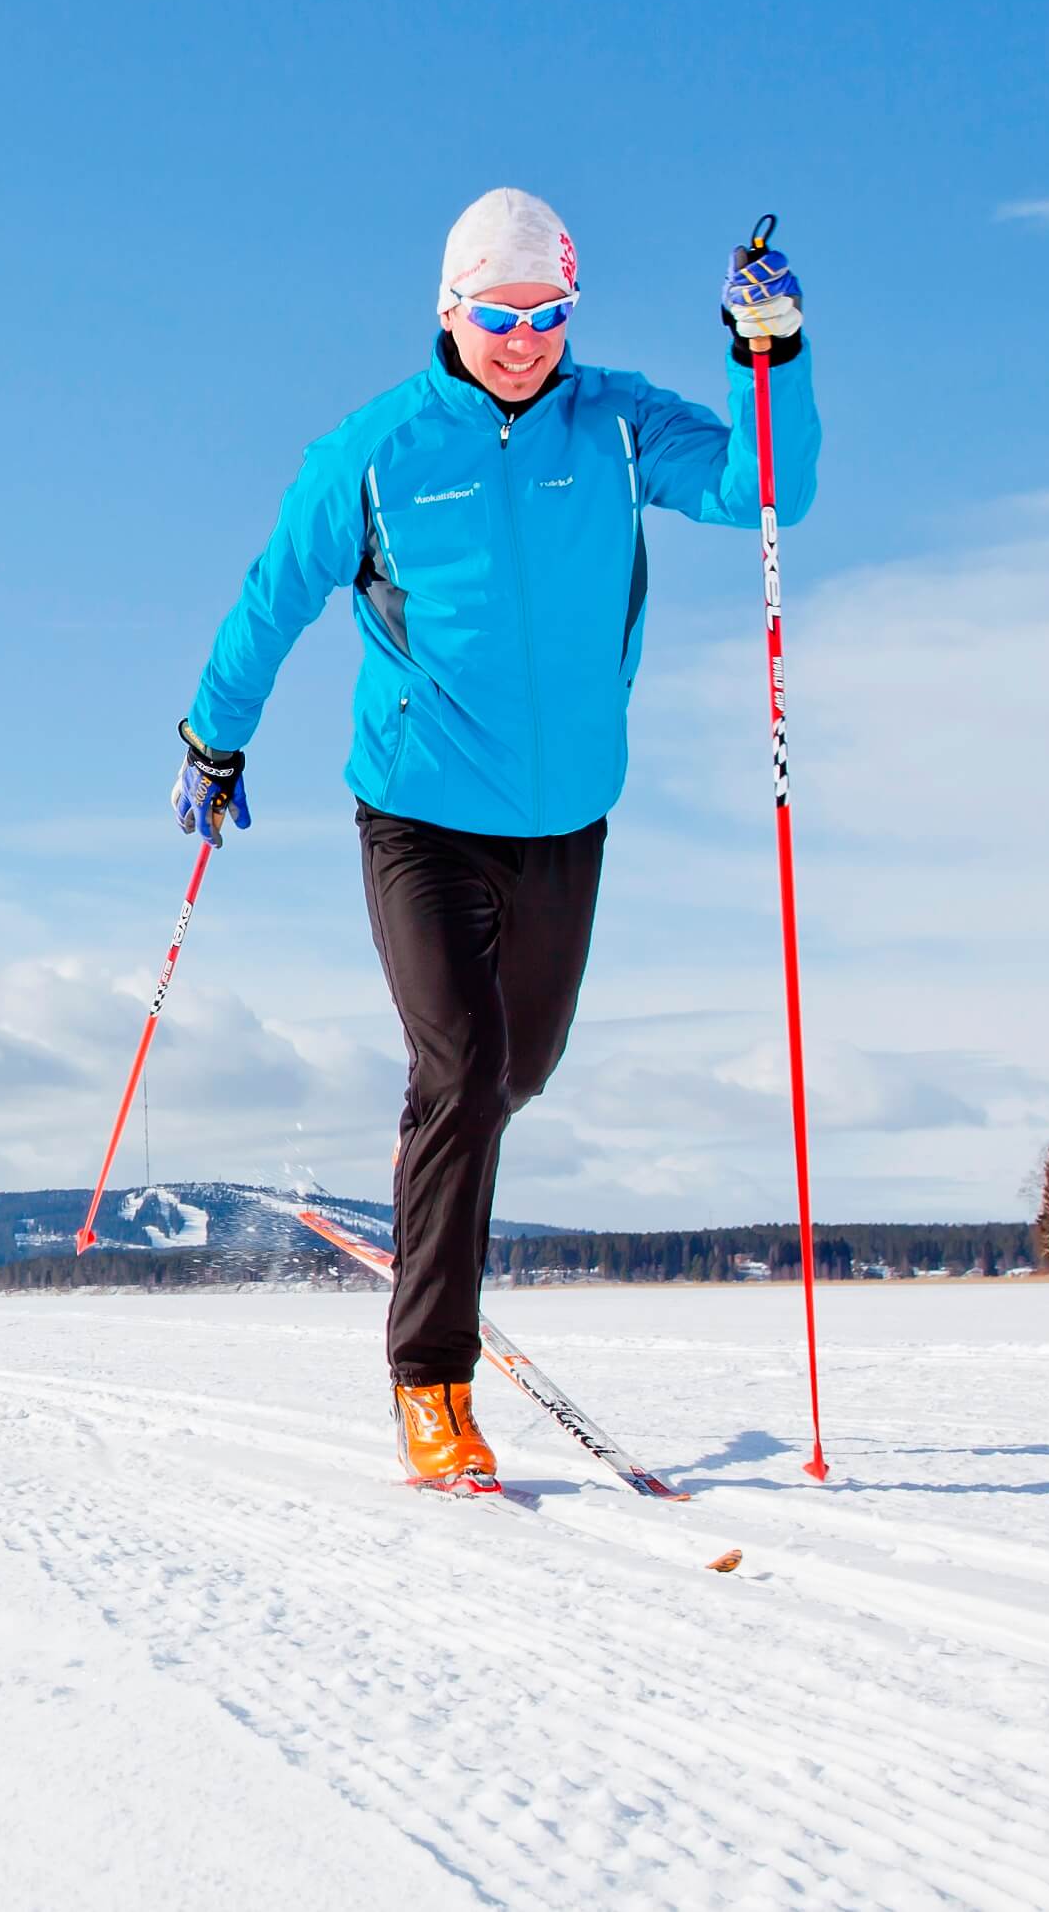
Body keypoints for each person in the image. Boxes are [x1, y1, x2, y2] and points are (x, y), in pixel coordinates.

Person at [170, 188, 817, 1488]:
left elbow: (769, 493)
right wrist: (213, 737)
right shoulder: (377, 451)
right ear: (449, 308)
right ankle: (431, 1380)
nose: (523, 338)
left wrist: (775, 358)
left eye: (548, 314)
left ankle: (430, 1166)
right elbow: (274, 595)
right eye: (497, 313)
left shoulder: (618, 421)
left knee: (514, 1073)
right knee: (463, 1071)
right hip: (418, 807)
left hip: (568, 816)